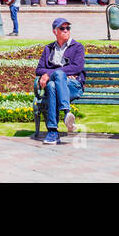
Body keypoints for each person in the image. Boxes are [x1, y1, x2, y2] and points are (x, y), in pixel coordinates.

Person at [35, 17, 85, 145]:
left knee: (55, 78)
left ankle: (52, 132)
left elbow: (77, 67)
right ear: (55, 31)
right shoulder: (49, 48)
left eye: (68, 28)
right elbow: (39, 69)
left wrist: (51, 73)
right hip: (57, 86)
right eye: (62, 28)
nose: (66, 31)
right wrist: (57, 74)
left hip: (73, 86)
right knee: (52, 85)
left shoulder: (77, 47)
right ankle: (66, 113)